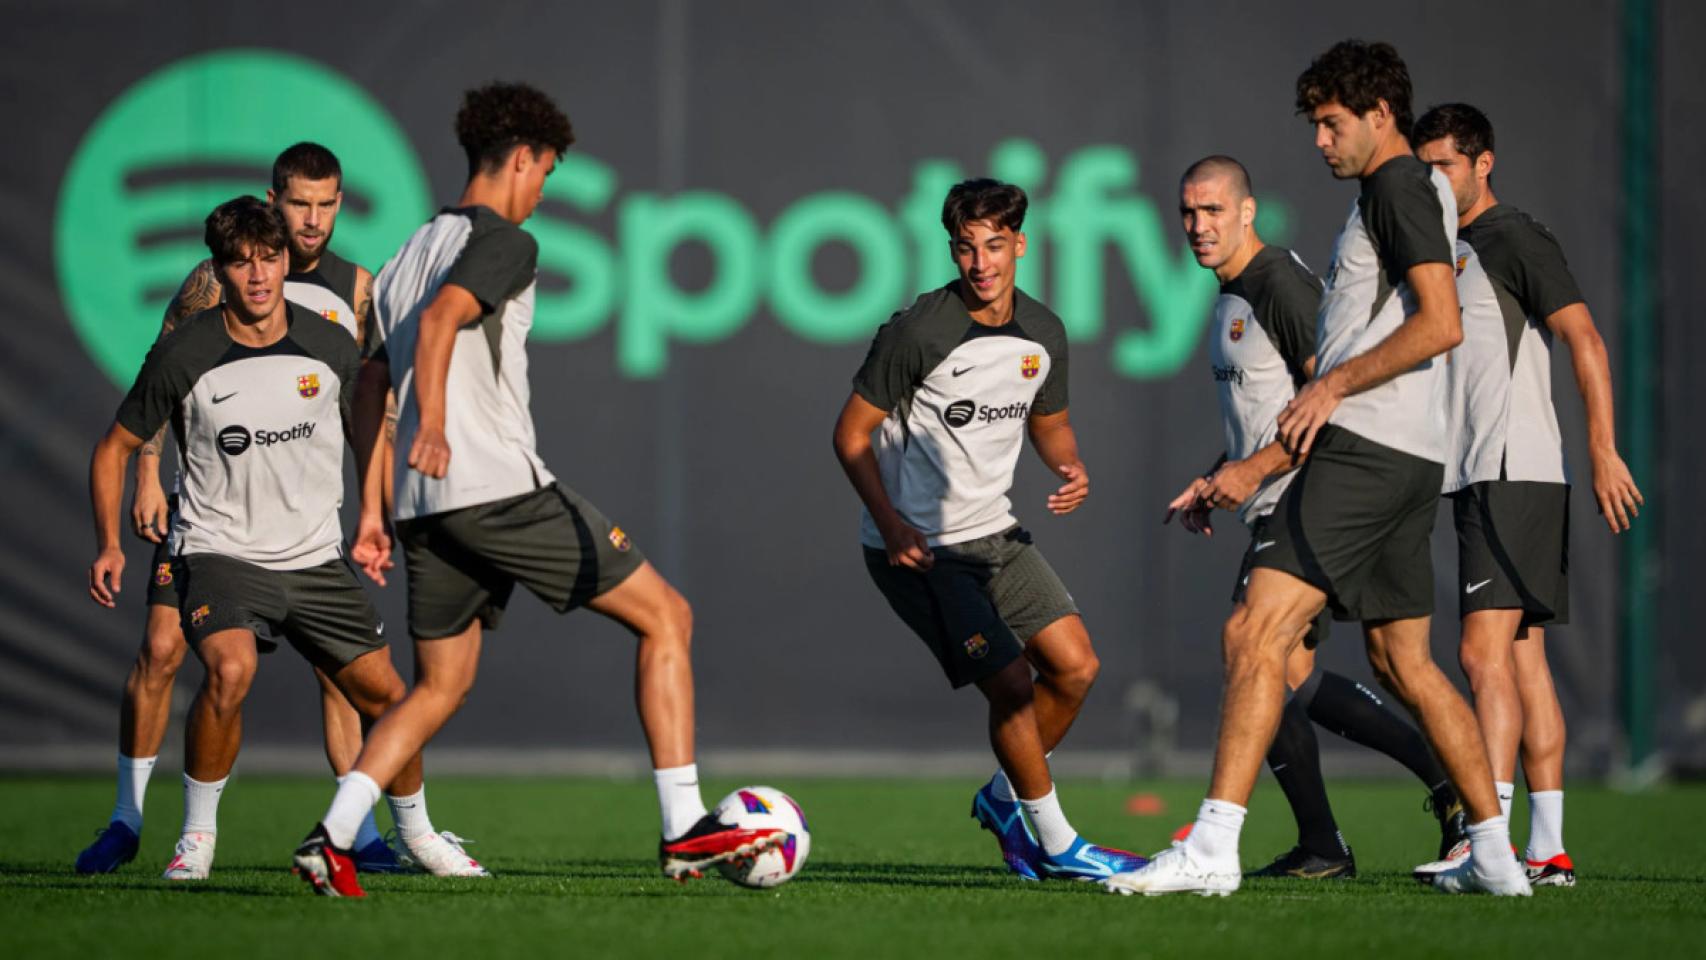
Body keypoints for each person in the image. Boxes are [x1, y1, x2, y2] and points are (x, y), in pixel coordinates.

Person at [290, 81, 775, 898]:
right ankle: (685, 826)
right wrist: (436, 423)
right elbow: (442, 322)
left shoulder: (407, 253)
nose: (544, 189)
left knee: (440, 686)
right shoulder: (504, 240)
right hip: (494, 489)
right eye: (546, 171)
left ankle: (331, 837)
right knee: (668, 617)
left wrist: (372, 508)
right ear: (522, 157)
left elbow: (368, 383)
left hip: (421, 507)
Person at [1109, 39, 1529, 897]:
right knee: (1403, 664)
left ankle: (1212, 847)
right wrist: (1231, 466)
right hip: (1404, 455)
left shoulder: (1398, 185)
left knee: (1251, 635)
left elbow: (1440, 323)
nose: (1320, 141)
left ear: (1380, 114)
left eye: (1332, 123)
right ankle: (1494, 855)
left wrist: (1326, 392)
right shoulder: (1396, 193)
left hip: (1364, 451)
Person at [75, 143, 432, 878]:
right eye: (299, 203)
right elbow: (158, 380)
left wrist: (377, 508)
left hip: (300, 527)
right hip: (209, 518)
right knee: (165, 652)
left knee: (345, 676)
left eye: (326, 204)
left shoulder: (352, 292)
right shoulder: (213, 283)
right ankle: (130, 820)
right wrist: (148, 474)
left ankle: (359, 833)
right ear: (274, 201)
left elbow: (375, 407)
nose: (312, 219)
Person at [832, 177, 1145, 882]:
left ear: (1020, 246)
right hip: (920, 550)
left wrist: (1069, 465)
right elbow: (849, 435)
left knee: (1076, 668)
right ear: (952, 250)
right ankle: (1059, 845)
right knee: (1011, 685)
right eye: (967, 247)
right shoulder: (920, 331)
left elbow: (1050, 424)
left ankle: (1005, 800)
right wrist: (892, 525)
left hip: (995, 535)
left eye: (994, 246)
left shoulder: (1044, 332)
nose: (981, 263)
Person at [1164, 154, 1467, 879]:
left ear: (1248, 212)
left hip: (1312, 497)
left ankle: (1310, 837)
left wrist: (1254, 470)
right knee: (1317, 671)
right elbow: (1274, 409)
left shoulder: (1277, 283)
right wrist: (1219, 473)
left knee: (1255, 653)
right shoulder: (1235, 291)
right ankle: (1345, 835)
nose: (1199, 225)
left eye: (1213, 210)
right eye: (1188, 212)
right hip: (1283, 494)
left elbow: (1329, 402)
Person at [1414, 103, 1643, 887]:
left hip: (1512, 471)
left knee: (1479, 656)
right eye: (1424, 167)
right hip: (1486, 473)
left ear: (1483, 164)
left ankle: (1486, 844)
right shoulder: (1446, 249)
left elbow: (1586, 337)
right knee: (1522, 659)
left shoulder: (1513, 237)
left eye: (1444, 165)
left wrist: (1602, 449)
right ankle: (1546, 850)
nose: (1433, 180)